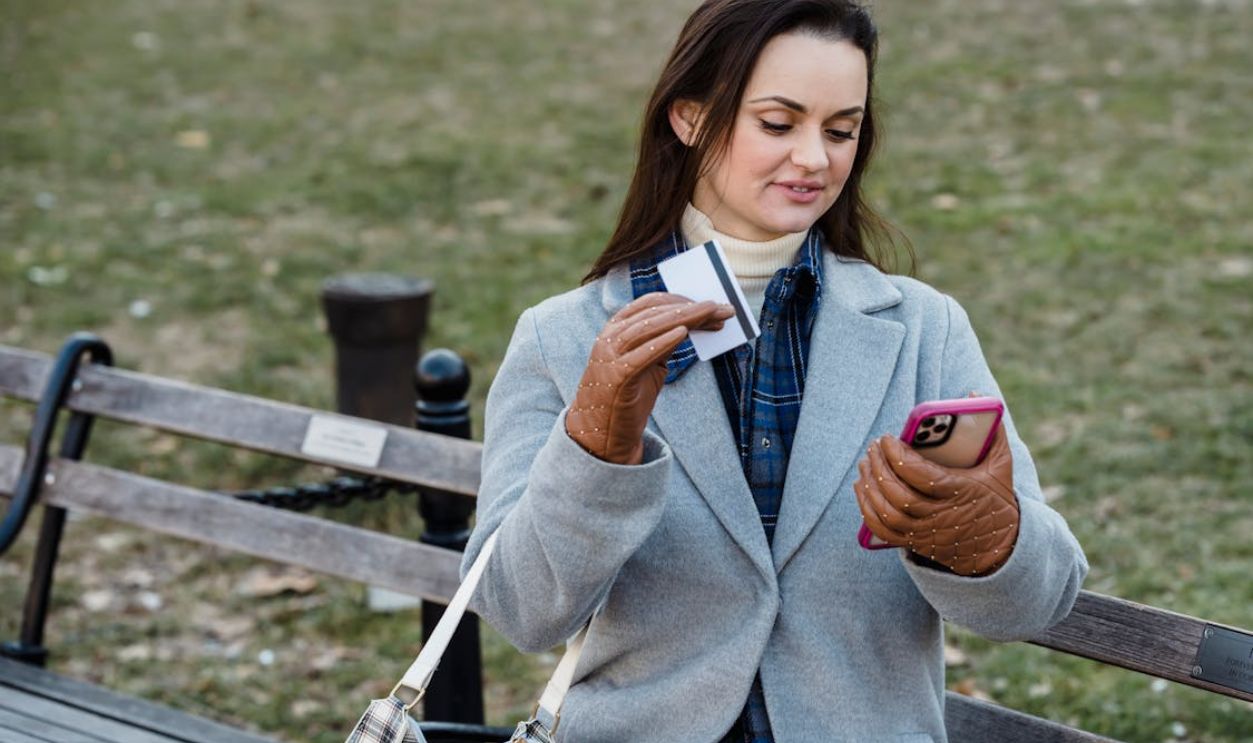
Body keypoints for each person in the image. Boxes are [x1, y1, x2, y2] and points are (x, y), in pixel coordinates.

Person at [461, 1, 1088, 740]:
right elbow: (519, 610)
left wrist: (988, 539)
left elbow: (1036, 603)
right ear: (688, 118)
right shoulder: (563, 337)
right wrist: (595, 449)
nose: (814, 160)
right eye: (777, 123)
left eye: (839, 130)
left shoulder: (922, 329)